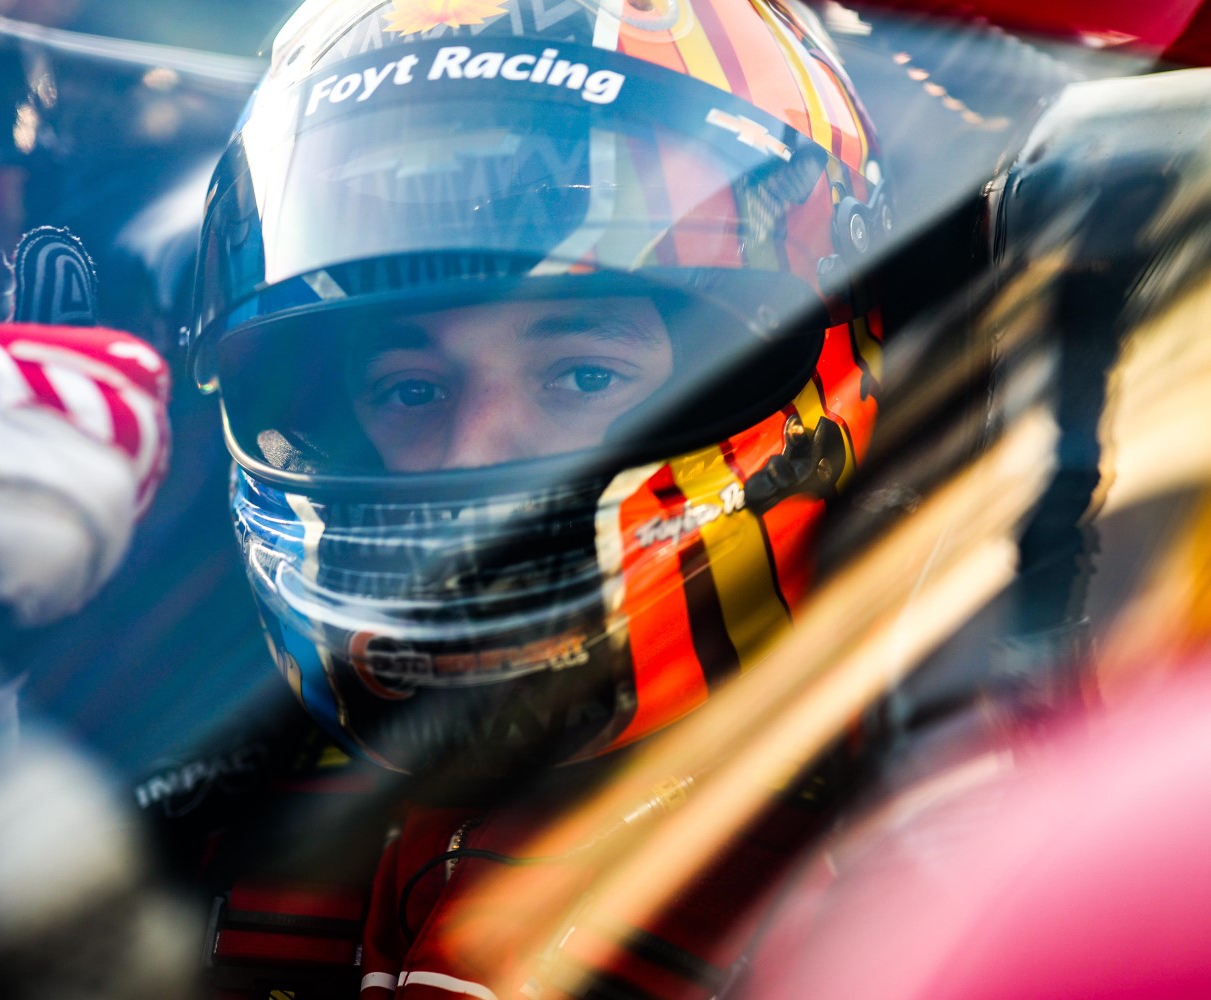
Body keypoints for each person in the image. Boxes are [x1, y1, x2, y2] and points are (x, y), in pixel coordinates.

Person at [176, 0, 889, 995]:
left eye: (582, 376)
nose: (474, 450)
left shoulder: (930, 806)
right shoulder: (226, 782)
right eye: (411, 391)